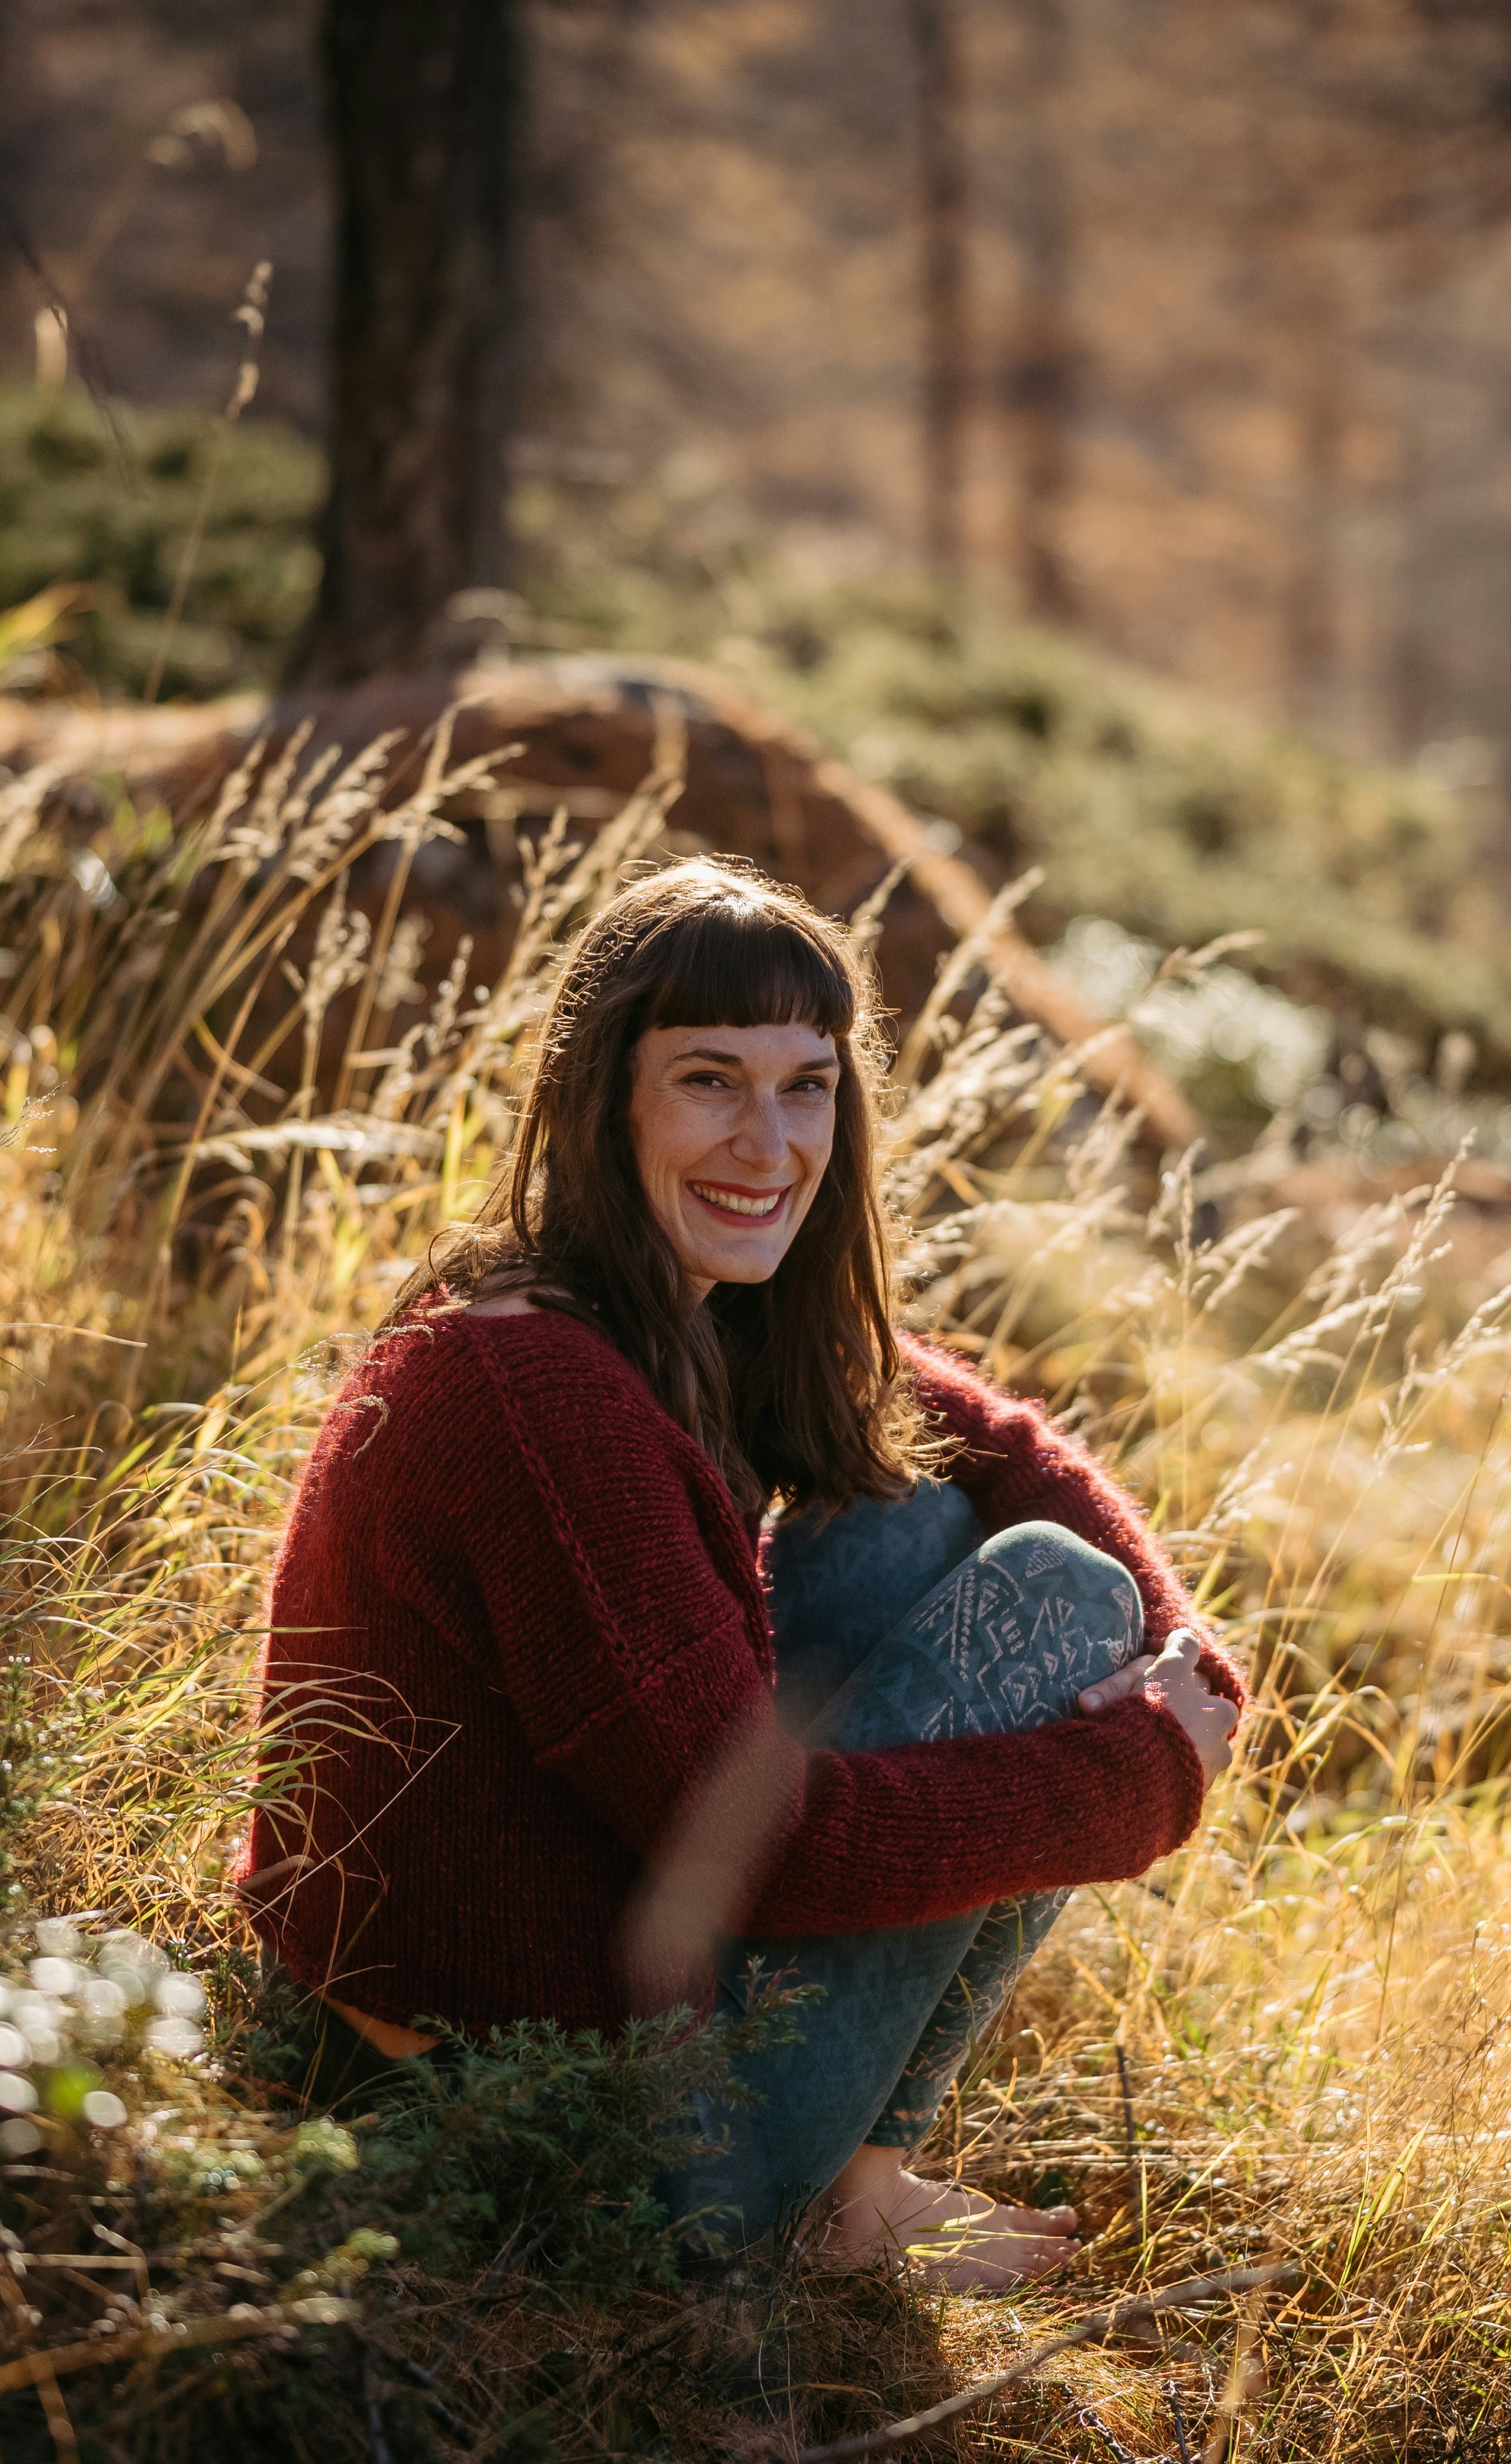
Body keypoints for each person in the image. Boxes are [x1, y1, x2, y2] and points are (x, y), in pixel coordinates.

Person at [241, 858, 1242, 2291]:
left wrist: (1182, 1636)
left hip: (503, 2028)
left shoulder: (635, 1313)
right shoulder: (548, 1401)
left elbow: (981, 1436)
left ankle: (855, 2183)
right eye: (711, 1080)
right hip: (520, 2131)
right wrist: (1130, 1780)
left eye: (807, 1085)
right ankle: (823, 2207)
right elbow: (767, 1852)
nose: (769, 1142)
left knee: (931, 1522)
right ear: (608, 1101)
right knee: (1064, 1609)